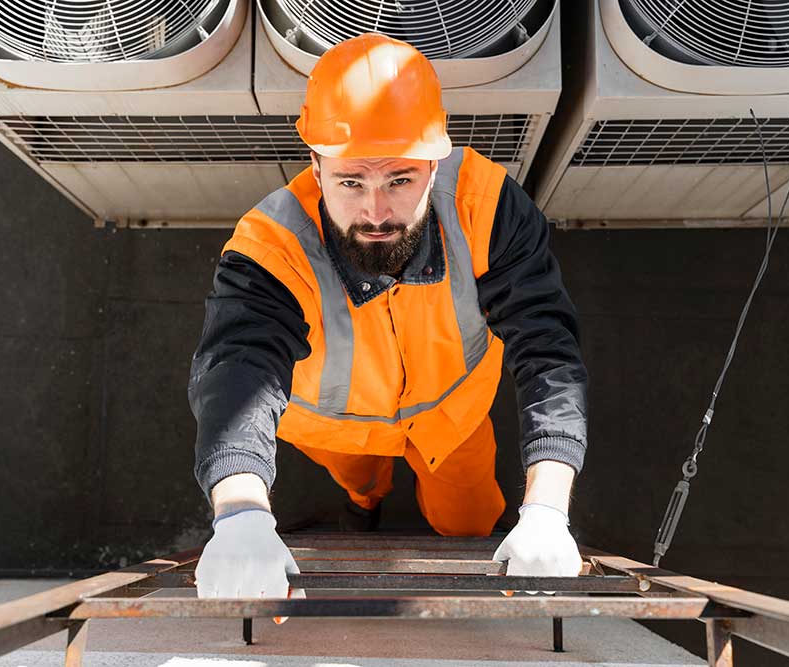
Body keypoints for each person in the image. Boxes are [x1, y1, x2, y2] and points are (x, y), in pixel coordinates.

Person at [189, 33, 589, 601]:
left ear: (434, 162)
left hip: (452, 413)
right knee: (359, 479)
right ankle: (364, 502)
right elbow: (236, 369)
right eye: (350, 181)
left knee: (470, 521)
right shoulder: (270, 246)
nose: (375, 213)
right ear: (316, 166)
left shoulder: (488, 205)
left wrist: (548, 508)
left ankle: (391, 502)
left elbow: (549, 350)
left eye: (399, 180)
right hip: (335, 424)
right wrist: (238, 513)